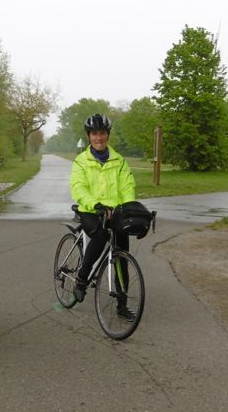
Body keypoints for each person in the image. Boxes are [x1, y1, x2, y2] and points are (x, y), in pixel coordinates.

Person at [69, 113, 137, 320]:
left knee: (122, 257)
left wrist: (128, 206)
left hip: (115, 212)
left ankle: (122, 305)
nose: (99, 138)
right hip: (90, 211)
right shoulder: (81, 161)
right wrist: (94, 203)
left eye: (102, 133)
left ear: (108, 135)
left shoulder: (119, 161)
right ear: (89, 136)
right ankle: (82, 278)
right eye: (94, 134)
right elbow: (78, 186)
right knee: (99, 236)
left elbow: (127, 186)